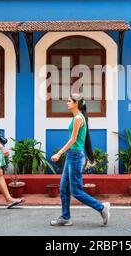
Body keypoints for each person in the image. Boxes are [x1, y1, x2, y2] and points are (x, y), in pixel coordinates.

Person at [50, 94, 110, 226]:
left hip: (75, 157)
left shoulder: (78, 118)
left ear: (76, 103)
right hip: (72, 156)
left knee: (76, 191)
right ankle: (65, 217)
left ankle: (102, 208)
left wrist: (59, 153)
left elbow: (73, 139)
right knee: (63, 189)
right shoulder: (76, 117)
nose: (67, 103)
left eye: (69, 101)